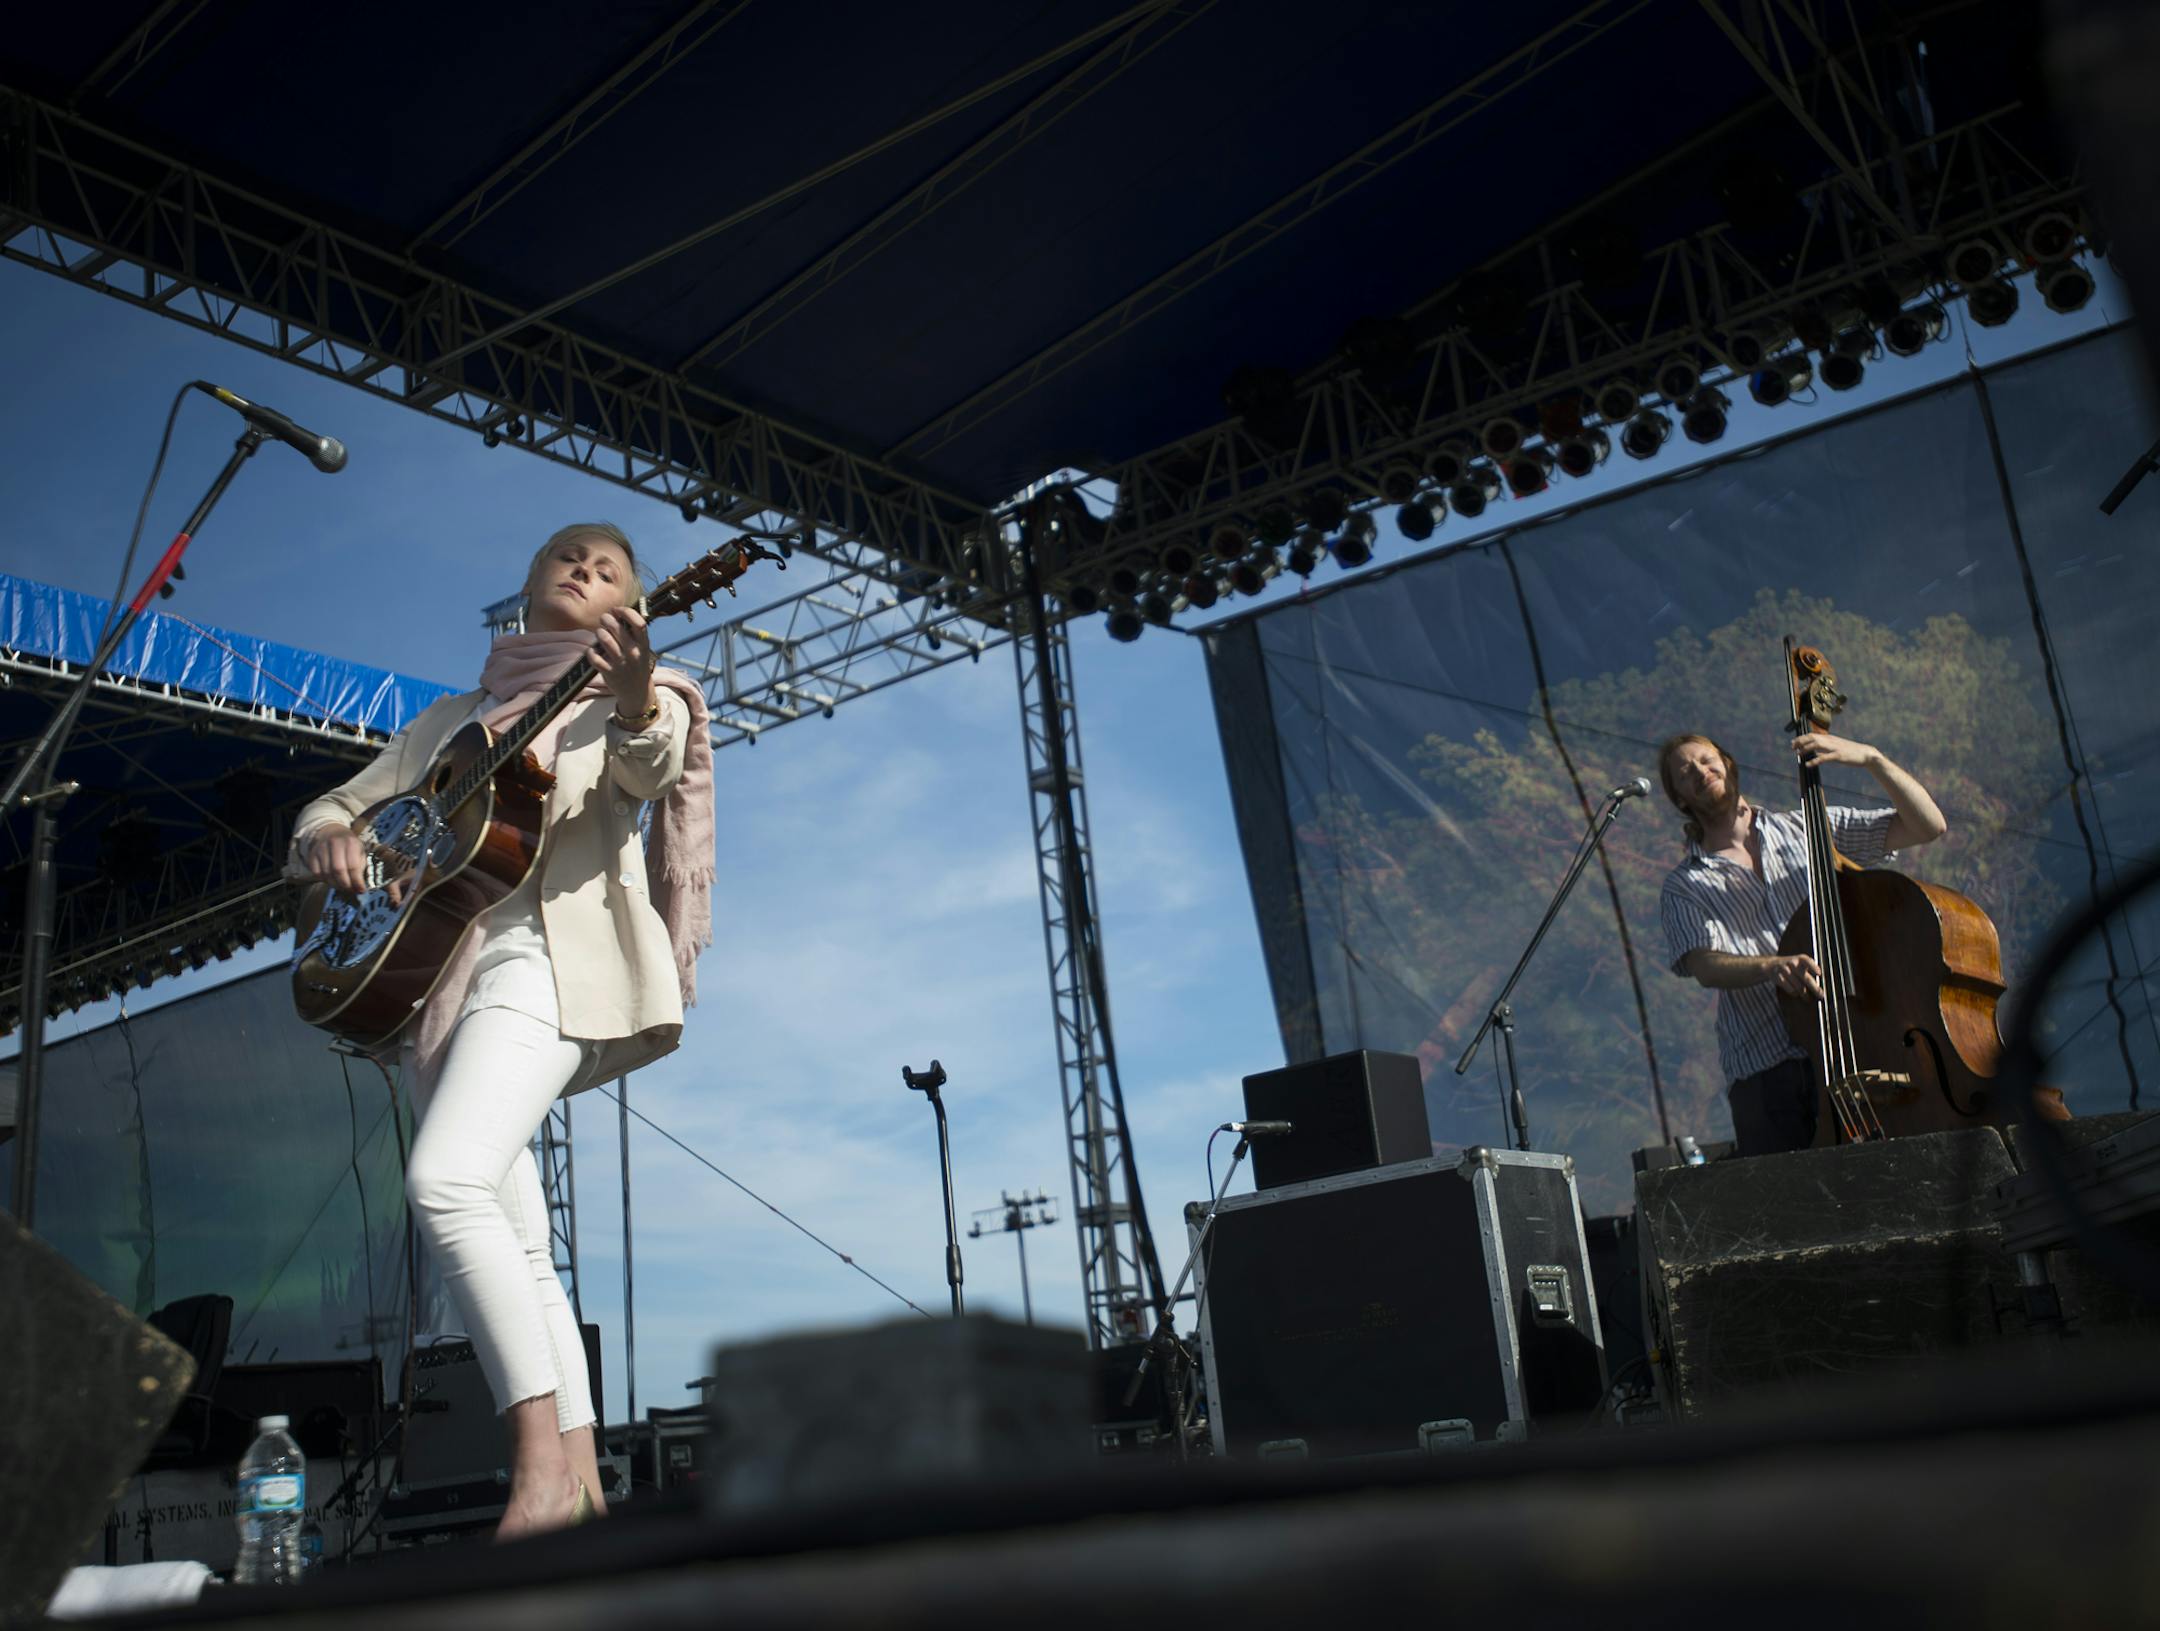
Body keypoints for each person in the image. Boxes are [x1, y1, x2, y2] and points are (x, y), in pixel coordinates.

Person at [288, 522, 714, 1538]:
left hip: (551, 964)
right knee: (520, 1246)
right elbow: (331, 807)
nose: (584, 569)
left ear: (632, 612)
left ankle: (535, 1462)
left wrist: (637, 690)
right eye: (568, 557)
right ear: (525, 585)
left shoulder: (645, 689)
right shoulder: (449, 720)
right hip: (440, 973)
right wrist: (334, 837)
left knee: (446, 1181)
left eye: (610, 570)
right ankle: (584, 1483)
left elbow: (651, 768)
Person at [1656, 730, 1946, 1156]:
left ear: (1728, 764)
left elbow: (1927, 826)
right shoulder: (1684, 884)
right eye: (1685, 772)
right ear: (1680, 798)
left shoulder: (1808, 828)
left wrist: (1872, 759)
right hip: (1767, 1072)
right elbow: (1704, 964)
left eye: (1706, 759)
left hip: (1853, 1046)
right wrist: (1772, 966)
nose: (1700, 772)